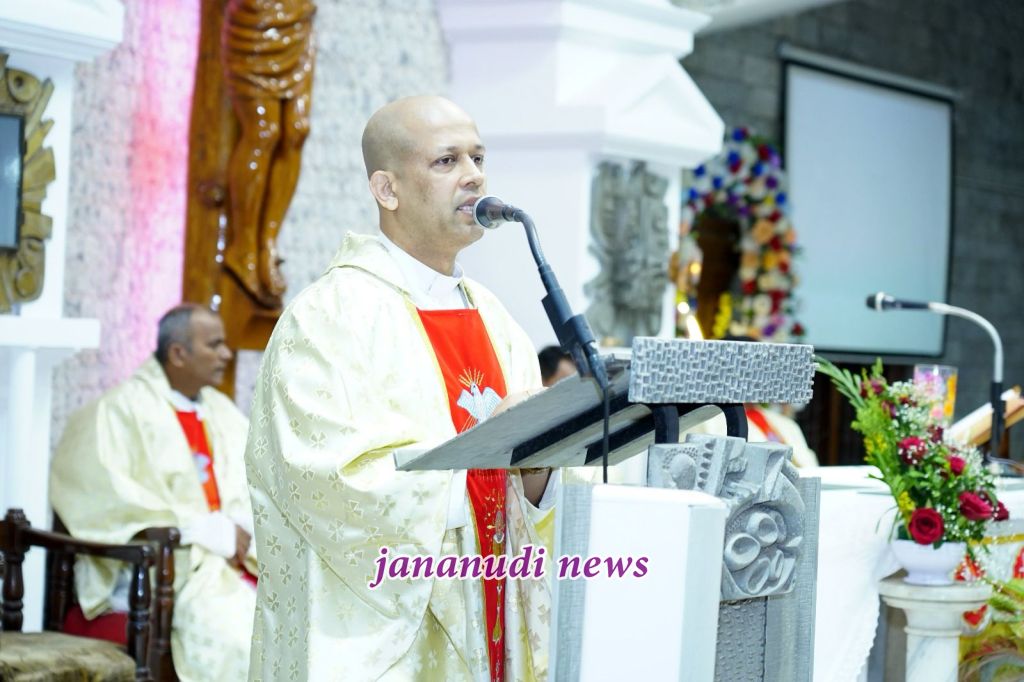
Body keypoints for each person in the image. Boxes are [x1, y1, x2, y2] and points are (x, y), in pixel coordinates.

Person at [245, 96, 554, 681]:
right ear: (386, 190)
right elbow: (328, 485)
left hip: (488, 604)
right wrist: (481, 467)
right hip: (377, 641)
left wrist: (541, 467)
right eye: (446, 161)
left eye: (478, 157)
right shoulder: (329, 317)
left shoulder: (495, 318)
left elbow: (530, 481)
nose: (474, 176)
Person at [50, 304, 257, 682]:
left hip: (232, 565)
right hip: (163, 570)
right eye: (214, 345)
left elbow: (256, 485)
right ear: (178, 353)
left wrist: (244, 524)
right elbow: (104, 500)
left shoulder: (222, 411)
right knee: (245, 641)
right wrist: (199, 529)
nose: (226, 354)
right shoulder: (118, 411)